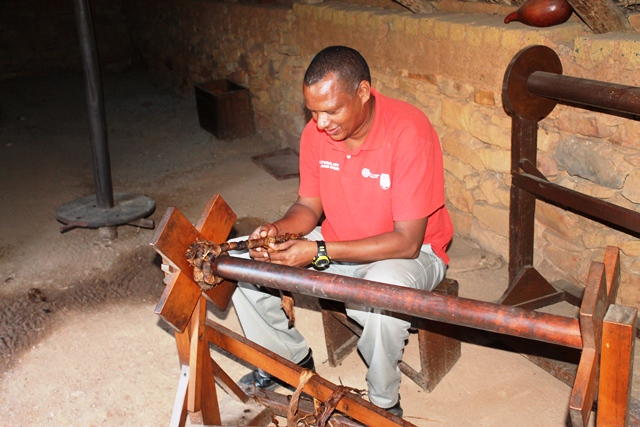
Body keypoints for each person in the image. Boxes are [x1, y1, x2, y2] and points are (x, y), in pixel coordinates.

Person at [230, 45, 454, 418]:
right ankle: (291, 364)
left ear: (363, 92)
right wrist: (278, 231)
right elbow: (307, 207)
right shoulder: (316, 134)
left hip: (411, 256)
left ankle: (383, 404)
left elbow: (407, 242)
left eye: (332, 110)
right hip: (338, 240)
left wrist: (318, 252)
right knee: (243, 262)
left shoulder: (408, 132)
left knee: (383, 295)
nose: (321, 123)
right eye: (313, 111)